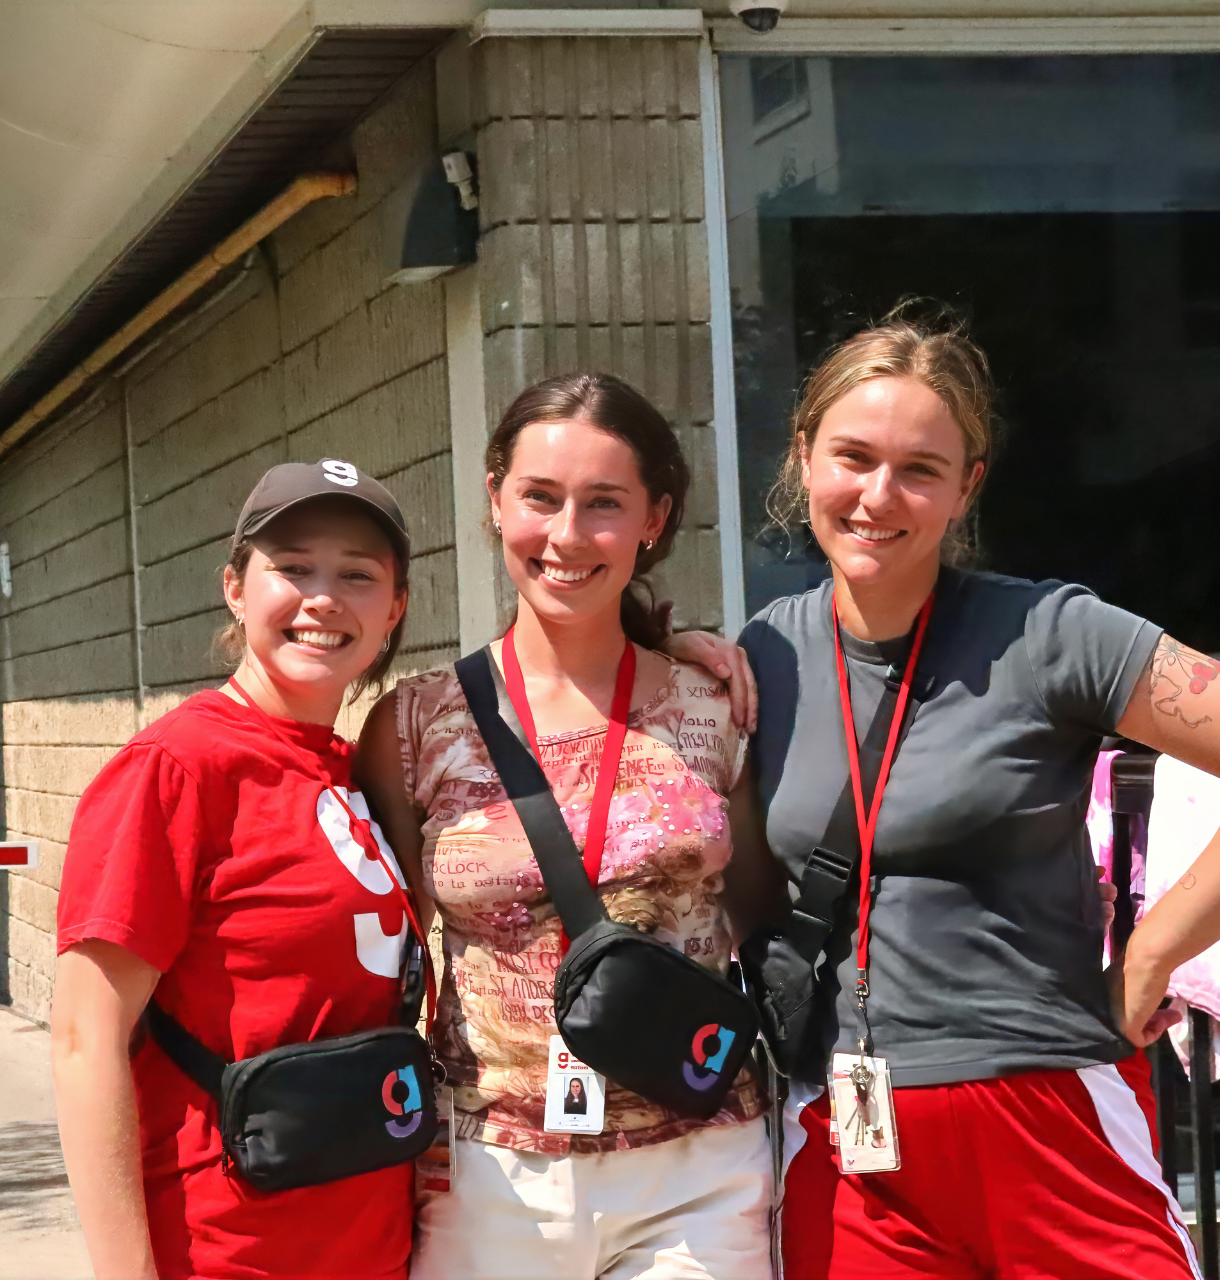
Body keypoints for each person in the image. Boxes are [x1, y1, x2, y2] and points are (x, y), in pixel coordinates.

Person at [669, 306, 1220, 1280]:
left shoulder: (1048, 633)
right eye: (853, 456)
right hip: (844, 1137)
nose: (879, 494)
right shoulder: (756, 659)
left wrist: (1153, 952)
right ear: (802, 456)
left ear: (966, 485)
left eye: (919, 467)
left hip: (1044, 1115)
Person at [355, 373, 772, 1280]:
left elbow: (764, 921)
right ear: (495, 501)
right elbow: (380, 949)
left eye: (605, 504)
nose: (568, 535)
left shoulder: (716, 704)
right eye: (540, 498)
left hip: (699, 1163)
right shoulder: (415, 722)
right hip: (486, 1171)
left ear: (655, 519)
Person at [51, 460, 417, 1280]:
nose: (323, 597)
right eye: (292, 568)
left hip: (371, 1245)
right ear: (234, 588)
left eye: (357, 575)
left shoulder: (348, 770)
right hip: (225, 1251)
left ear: (392, 611)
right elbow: (84, 1038)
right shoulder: (176, 768)